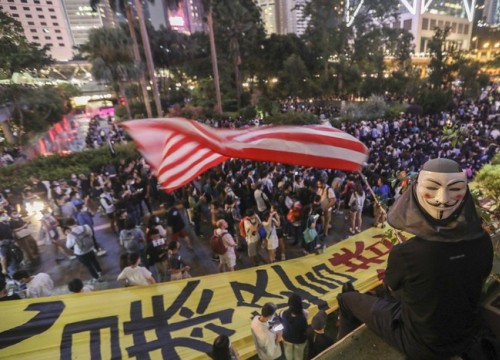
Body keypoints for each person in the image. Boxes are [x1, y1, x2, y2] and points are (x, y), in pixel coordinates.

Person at [336, 158, 494, 360]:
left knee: (347, 299)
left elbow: (392, 287)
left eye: (452, 189)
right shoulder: (483, 242)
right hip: (465, 335)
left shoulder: (407, 253)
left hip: (421, 344)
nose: (443, 199)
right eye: (433, 188)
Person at [64, 218, 103, 283]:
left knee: (88, 265)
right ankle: (99, 271)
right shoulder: (86, 226)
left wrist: (67, 235)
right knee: (94, 260)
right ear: (75, 221)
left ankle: (96, 277)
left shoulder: (70, 234)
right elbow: (91, 235)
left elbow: (68, 246)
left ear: (67, 226)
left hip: (80, 253)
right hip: (90, 248)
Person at [281, 294, 308, 360]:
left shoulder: (284, 313)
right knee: (298, 355)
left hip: (287, 338)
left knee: (288, 354)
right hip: (299, 340)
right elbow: (304, 329)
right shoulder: (303, 317)